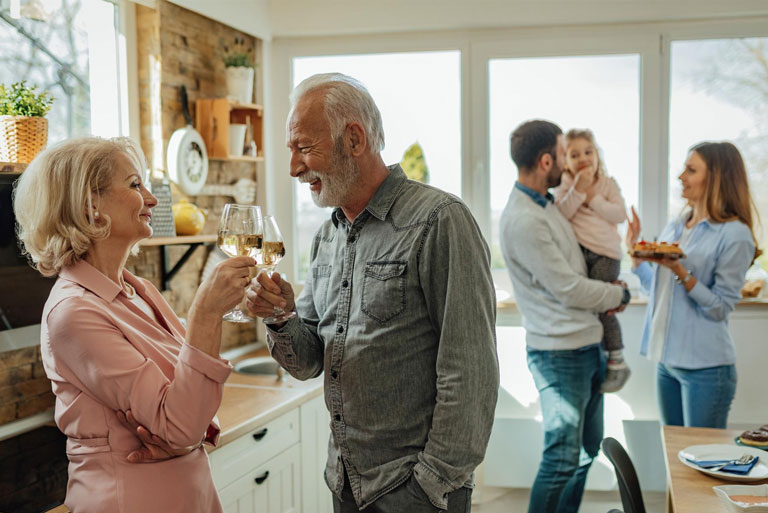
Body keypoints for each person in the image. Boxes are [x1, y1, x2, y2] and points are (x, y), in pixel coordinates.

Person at [245, 73, 499, 513]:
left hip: (416, 493)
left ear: (355, 139)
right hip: (345, 484)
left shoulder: (440, 220)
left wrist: (430, 485)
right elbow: (307, 363)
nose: (293, 168)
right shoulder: (327, 238)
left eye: (303, 148)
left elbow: (470, 373)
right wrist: (281, 315)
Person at [13, 136, 254, 513]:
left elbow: (189, 411)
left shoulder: (138, 290)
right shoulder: (73, 313)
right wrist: (205, 313)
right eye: (135, 185)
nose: (153, 200)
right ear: (91, 205)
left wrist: (182, 437)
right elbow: (182, 420)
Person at [499, 119, 630, 513]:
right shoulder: (525, 220)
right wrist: (617, 293)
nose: (567, 163)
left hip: (585, 347)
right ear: (545, 161)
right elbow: (569, 288)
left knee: (588, 453)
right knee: (561, 461)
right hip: (560, 356)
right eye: (561, 153)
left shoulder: (549, 204)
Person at [626, 141, 760, 428]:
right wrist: (638, 260)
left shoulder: (735, 235)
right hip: (666, 362)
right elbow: (657, 292)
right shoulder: (677, 225)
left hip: (706, 370)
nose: (681, 177)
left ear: (716, 178)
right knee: (675, 458)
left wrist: (681, 271)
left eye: (691, 170)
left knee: (700, 463)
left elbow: (720, 309)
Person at [552, 128, 630, 393]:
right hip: (580, 254)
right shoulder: (566, 184)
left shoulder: (608, 184)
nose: (583, 158)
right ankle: (602, 353)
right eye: (575, 154)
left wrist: (592, 197)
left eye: (588, 152)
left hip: (606, 254)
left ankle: (617, 360)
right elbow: (561, 213)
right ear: (565, 161)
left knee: (602, 305)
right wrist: (577, 190)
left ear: (597, 155)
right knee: (587, 305)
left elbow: (619, 214)